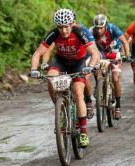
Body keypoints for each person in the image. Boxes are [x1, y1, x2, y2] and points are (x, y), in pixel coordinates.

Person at [30, 9, 100, 147]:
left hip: (79, 63)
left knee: (78, 92)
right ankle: (60, 107)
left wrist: (90, 66)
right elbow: (38, 53)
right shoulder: (54, 34)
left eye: (66, 26)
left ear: (72, 24)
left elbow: (94, 53)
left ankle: (84, 132)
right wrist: (33, 69)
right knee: (50, 77)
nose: (63, 30)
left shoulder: (80, 32)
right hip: (61, 61)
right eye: (60, 27)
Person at [90, 14, 130, 119]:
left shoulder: (112, 29)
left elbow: (124, 42)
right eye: (97, 28)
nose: (98, 30)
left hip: (114, 52)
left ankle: (118, 107)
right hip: (101, 53)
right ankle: (98, 85)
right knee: (94, 66)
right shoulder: (91, 31)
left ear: (105, 25)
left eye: (101, 28)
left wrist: (127, 55)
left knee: (115, 78)